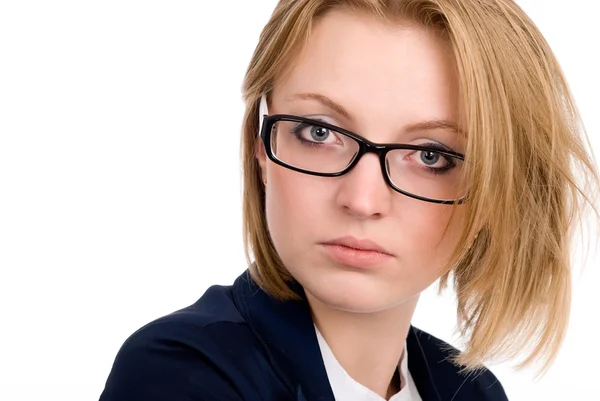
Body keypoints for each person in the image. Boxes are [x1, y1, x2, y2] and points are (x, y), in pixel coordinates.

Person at [99, 0, 599, 400]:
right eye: (319, 132)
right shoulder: (180, 373)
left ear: (497, 191)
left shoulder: (473, 391)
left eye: (430, 156)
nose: (362, 200)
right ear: (262, 150)